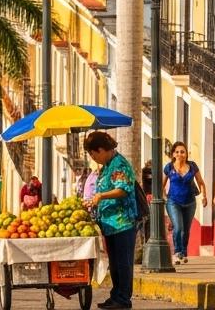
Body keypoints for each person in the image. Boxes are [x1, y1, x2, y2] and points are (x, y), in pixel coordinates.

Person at [83, 130, 139, 310]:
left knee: (123, 263)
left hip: (122, 223)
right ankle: (116, 295)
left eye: (93, 154)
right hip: (110, 224)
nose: (93, 158)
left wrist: (101, 196)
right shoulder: (107, 166)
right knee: (114, 263)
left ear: (101, 149)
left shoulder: (118, 164)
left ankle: (123, 299)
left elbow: (123, 189)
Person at [161, 142, 206, 264]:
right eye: (177, 152)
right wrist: (164, 197)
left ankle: (184, 252)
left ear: (186, 154)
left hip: (190, 202)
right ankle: (177, 252)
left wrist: (204, 196)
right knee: (178, 227)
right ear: (173, 154)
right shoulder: (169, 167)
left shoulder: (192, 166)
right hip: (173, 202)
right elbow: (162, 185)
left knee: (186, 229)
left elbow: (201, 182)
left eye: (182, 151)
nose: (180, 154)